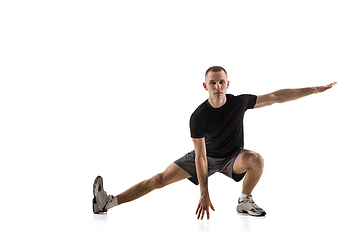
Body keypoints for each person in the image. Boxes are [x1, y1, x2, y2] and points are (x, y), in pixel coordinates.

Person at [92, 66, 337, 219]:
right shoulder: (198, 117)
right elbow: (200, 157)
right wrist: (204, 192)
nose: (218, 86)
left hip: (233, 157)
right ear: (205, 86)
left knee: (256, 160)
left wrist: (314, 89)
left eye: (221, 82)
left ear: (227, 84)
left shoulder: (239, 102)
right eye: (213, 82)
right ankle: (107, 202)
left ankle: (244, 201)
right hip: (206, 157)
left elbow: (276, 97)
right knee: (157, 180)